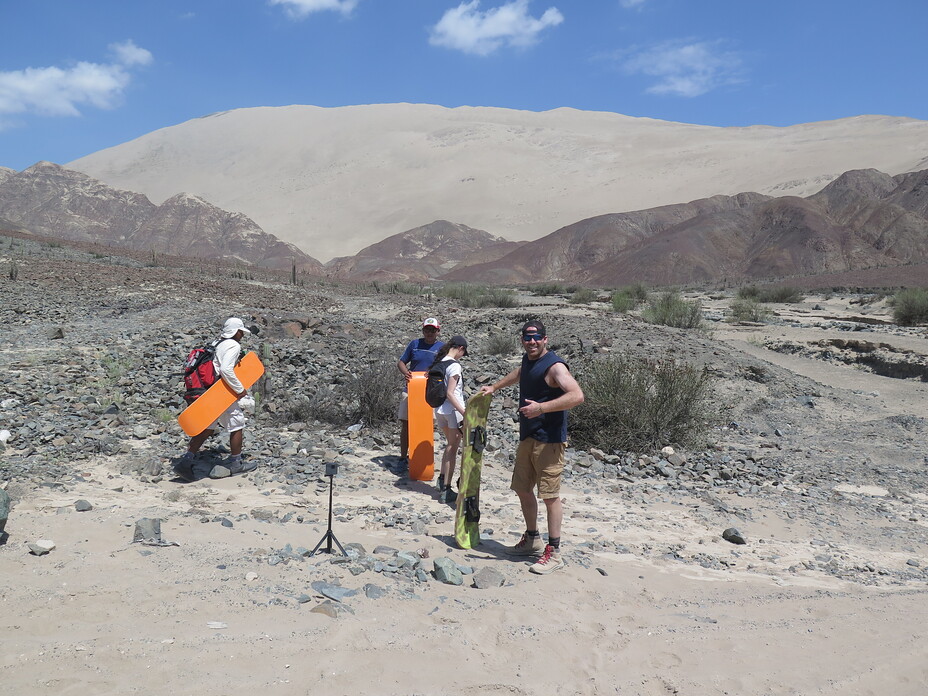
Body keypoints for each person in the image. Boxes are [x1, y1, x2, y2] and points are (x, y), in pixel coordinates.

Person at [480, 319, 584, 575]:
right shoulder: (529, 361)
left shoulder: (556, 366)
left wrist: (542, 407)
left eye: (537, 338)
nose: (532, 342)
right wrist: (494, 386)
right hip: (528, 436)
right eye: (528, 338)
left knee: (549, 496)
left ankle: (555, 552)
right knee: (523, 489)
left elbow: (577, 395)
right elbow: (520, 373)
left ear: (545, 339)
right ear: (522, 340)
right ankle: (532, 539)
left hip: (549, 439)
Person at [173, 317, 257, 481]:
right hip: (221, 391)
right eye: (241, 332)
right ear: (236, 331)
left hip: (207, 390)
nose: (242, 335)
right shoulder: (233, 345)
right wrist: (240, 390)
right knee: (237, 422)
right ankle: (236, 463)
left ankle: (185, 462)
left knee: (208, 427)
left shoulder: (217, 343)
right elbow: (226, 369)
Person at [396, 318, 444, 466]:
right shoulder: (414, 344)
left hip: (430, 393)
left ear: (438, 331)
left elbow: (445, 367)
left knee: (427, 425)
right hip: (411, 390)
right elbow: (401, 362)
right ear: (423, 330)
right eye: (427, 330)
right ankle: (404, 457)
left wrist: (434, 373)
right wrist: (406, 372)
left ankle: (423, 458)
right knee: (406, 424)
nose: (429, 333)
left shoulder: (442, 347)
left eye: (433, 330)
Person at [429, 335, 469, 505]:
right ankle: (446, 489)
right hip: (452, 411)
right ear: (460, 348)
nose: (462, 355)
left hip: (439, 410)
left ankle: (442, 480)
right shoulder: (454, 366)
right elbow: (451, 394)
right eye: (463, 352)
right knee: (453, 447)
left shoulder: (440, 362)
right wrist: (465, 413)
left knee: (450, 444)